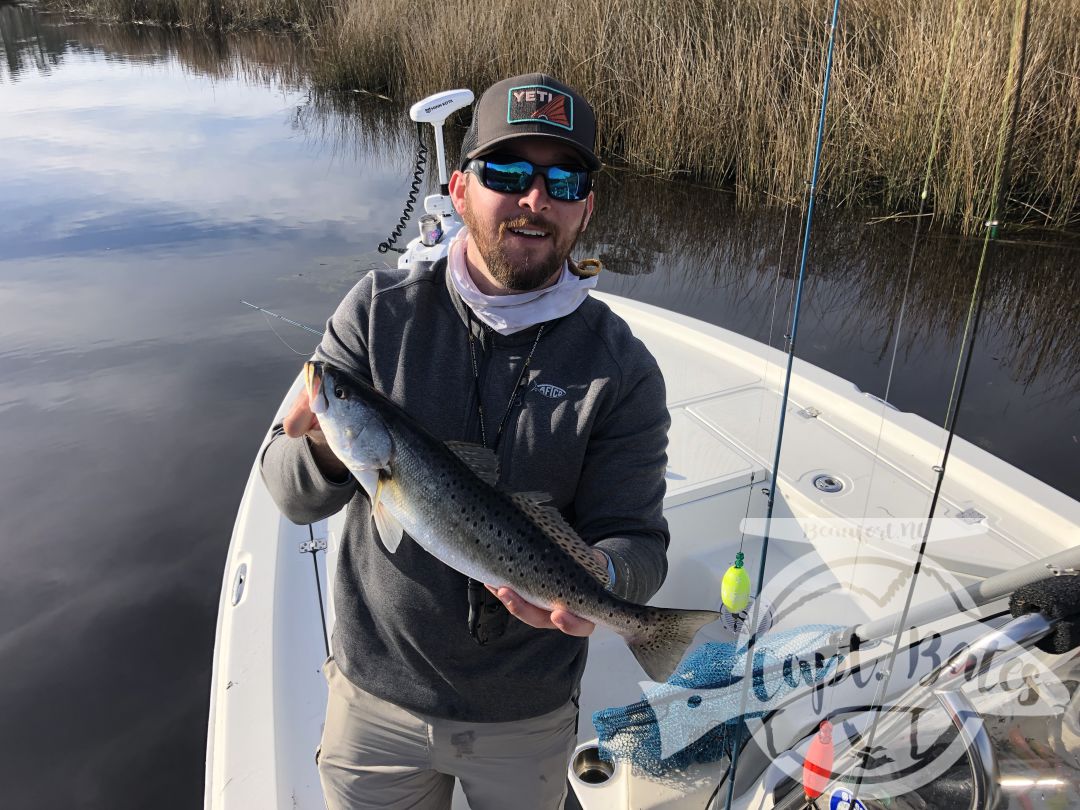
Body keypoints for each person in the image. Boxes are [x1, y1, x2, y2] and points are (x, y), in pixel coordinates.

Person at [260, 73, 671, 810]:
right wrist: (326, 444)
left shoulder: (622, 368)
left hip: (528, 716)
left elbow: (639, 542)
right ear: (459, 189)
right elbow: (288, 495)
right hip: (376, 702)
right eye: (508, 173)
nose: (534, 199)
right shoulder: (375, 314)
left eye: (563, 179)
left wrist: (604, 583)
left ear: (587, 208)